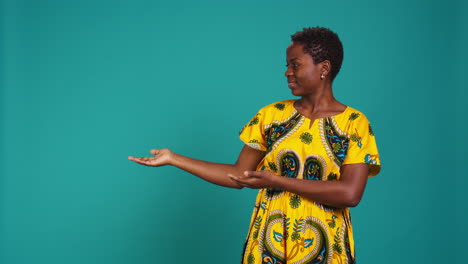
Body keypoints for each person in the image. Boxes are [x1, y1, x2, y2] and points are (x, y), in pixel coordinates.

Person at [128, 27, 381, 264]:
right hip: (268, 243)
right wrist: (174, 158)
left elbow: (350, 193)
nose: (287, 72)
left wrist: (277, 181)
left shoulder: (354, 124)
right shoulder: (272, 116)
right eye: (287, 65)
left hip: (325, 245)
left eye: (295, 65)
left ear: (324, 68)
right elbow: (240, 175)